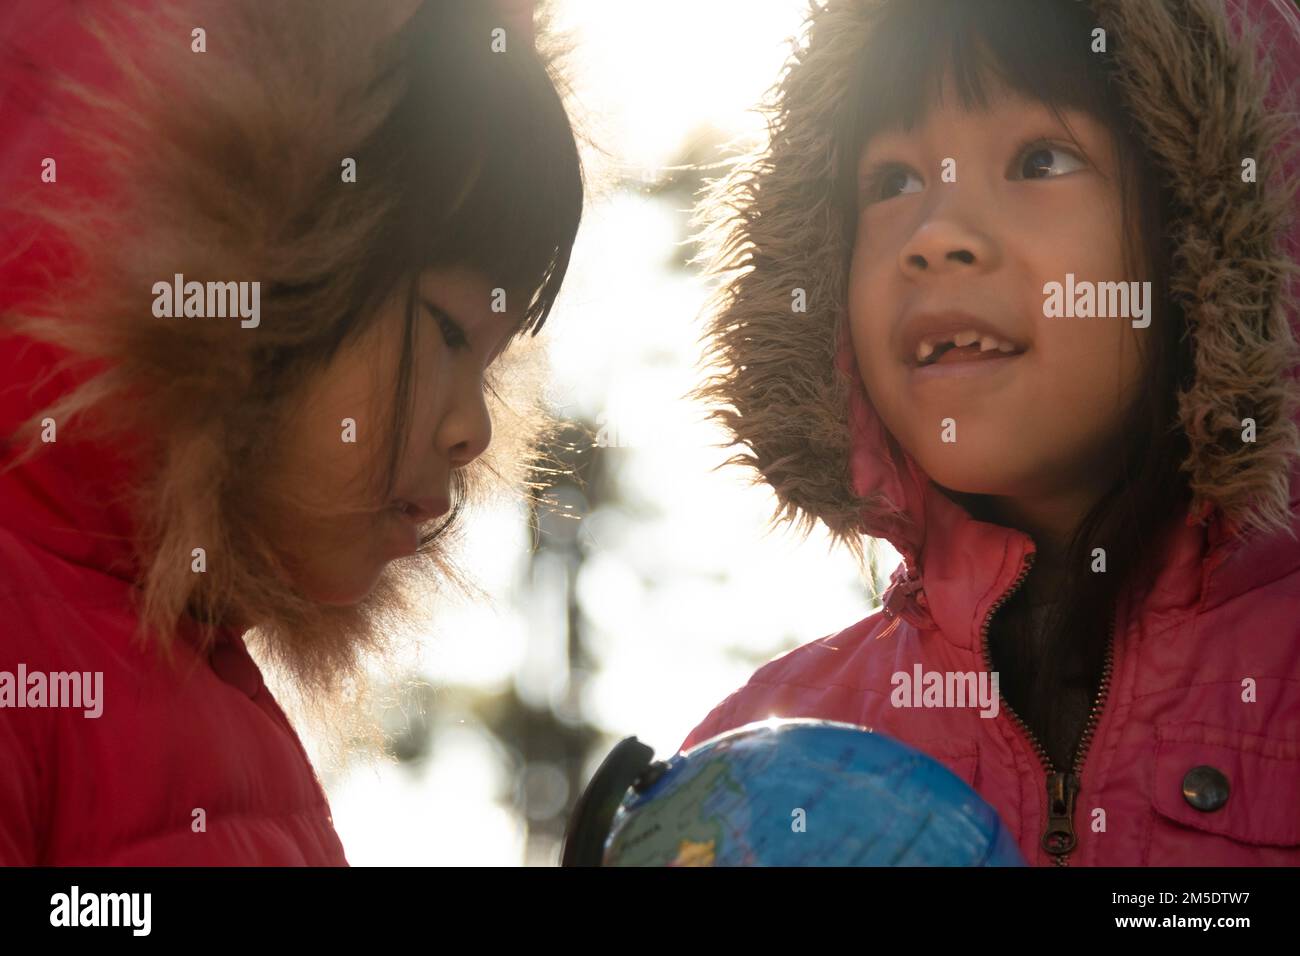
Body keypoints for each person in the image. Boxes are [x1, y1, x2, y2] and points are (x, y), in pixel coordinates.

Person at [682, 0, 1300, 866]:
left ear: (1208, 232)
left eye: (1038, 160)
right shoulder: (750, 769)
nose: (935, 238)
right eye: (892, 181)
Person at [0, 0, 582, 864]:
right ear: (261, 259)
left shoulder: (215, 701)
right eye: (451, 333)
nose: (477, 430)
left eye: (490, 367)